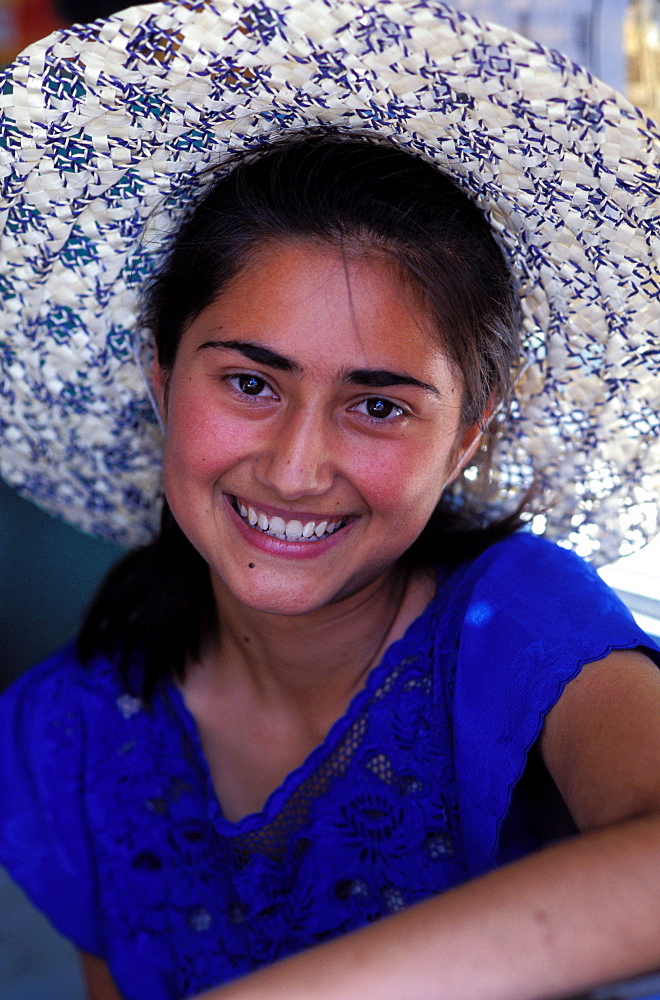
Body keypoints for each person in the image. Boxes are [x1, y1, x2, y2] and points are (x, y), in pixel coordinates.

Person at [0, 2, 659, 1000]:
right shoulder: (71, 729)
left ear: (467, 436)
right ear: (161, 375)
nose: (300, 469)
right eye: (251, 383)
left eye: (380, 404)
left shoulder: (517, 627)